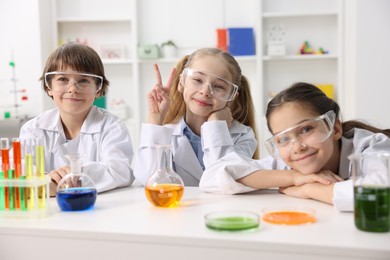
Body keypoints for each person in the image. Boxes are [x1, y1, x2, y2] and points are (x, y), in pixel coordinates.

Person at [199, 82, 390, 211]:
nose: (297, 147)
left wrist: (310, 190)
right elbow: (212, 176)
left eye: (306, 129)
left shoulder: (370, 146)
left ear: (336, 128)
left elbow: (383, 193)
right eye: (282, 139)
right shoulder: (288, 165)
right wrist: (295, 177)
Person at [19, 42, 134, 196]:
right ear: (49, 86)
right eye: (62, 79)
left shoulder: (111, 127)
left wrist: (73, 177)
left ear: (98, 88)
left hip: (98, 211)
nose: (73, 88)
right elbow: (18, 167)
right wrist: (44, 181)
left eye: (83, 80)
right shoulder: (33, 129)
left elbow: (120, 170)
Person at [134, 48, 258, 186]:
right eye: (198, 80)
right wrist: (155, 118)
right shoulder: (166, 133)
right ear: (182, 82)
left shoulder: (243, 136)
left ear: (232, 96)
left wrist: (215, 125)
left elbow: (224, 180)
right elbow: (148, 180)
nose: (205, 92)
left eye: (219, 86)